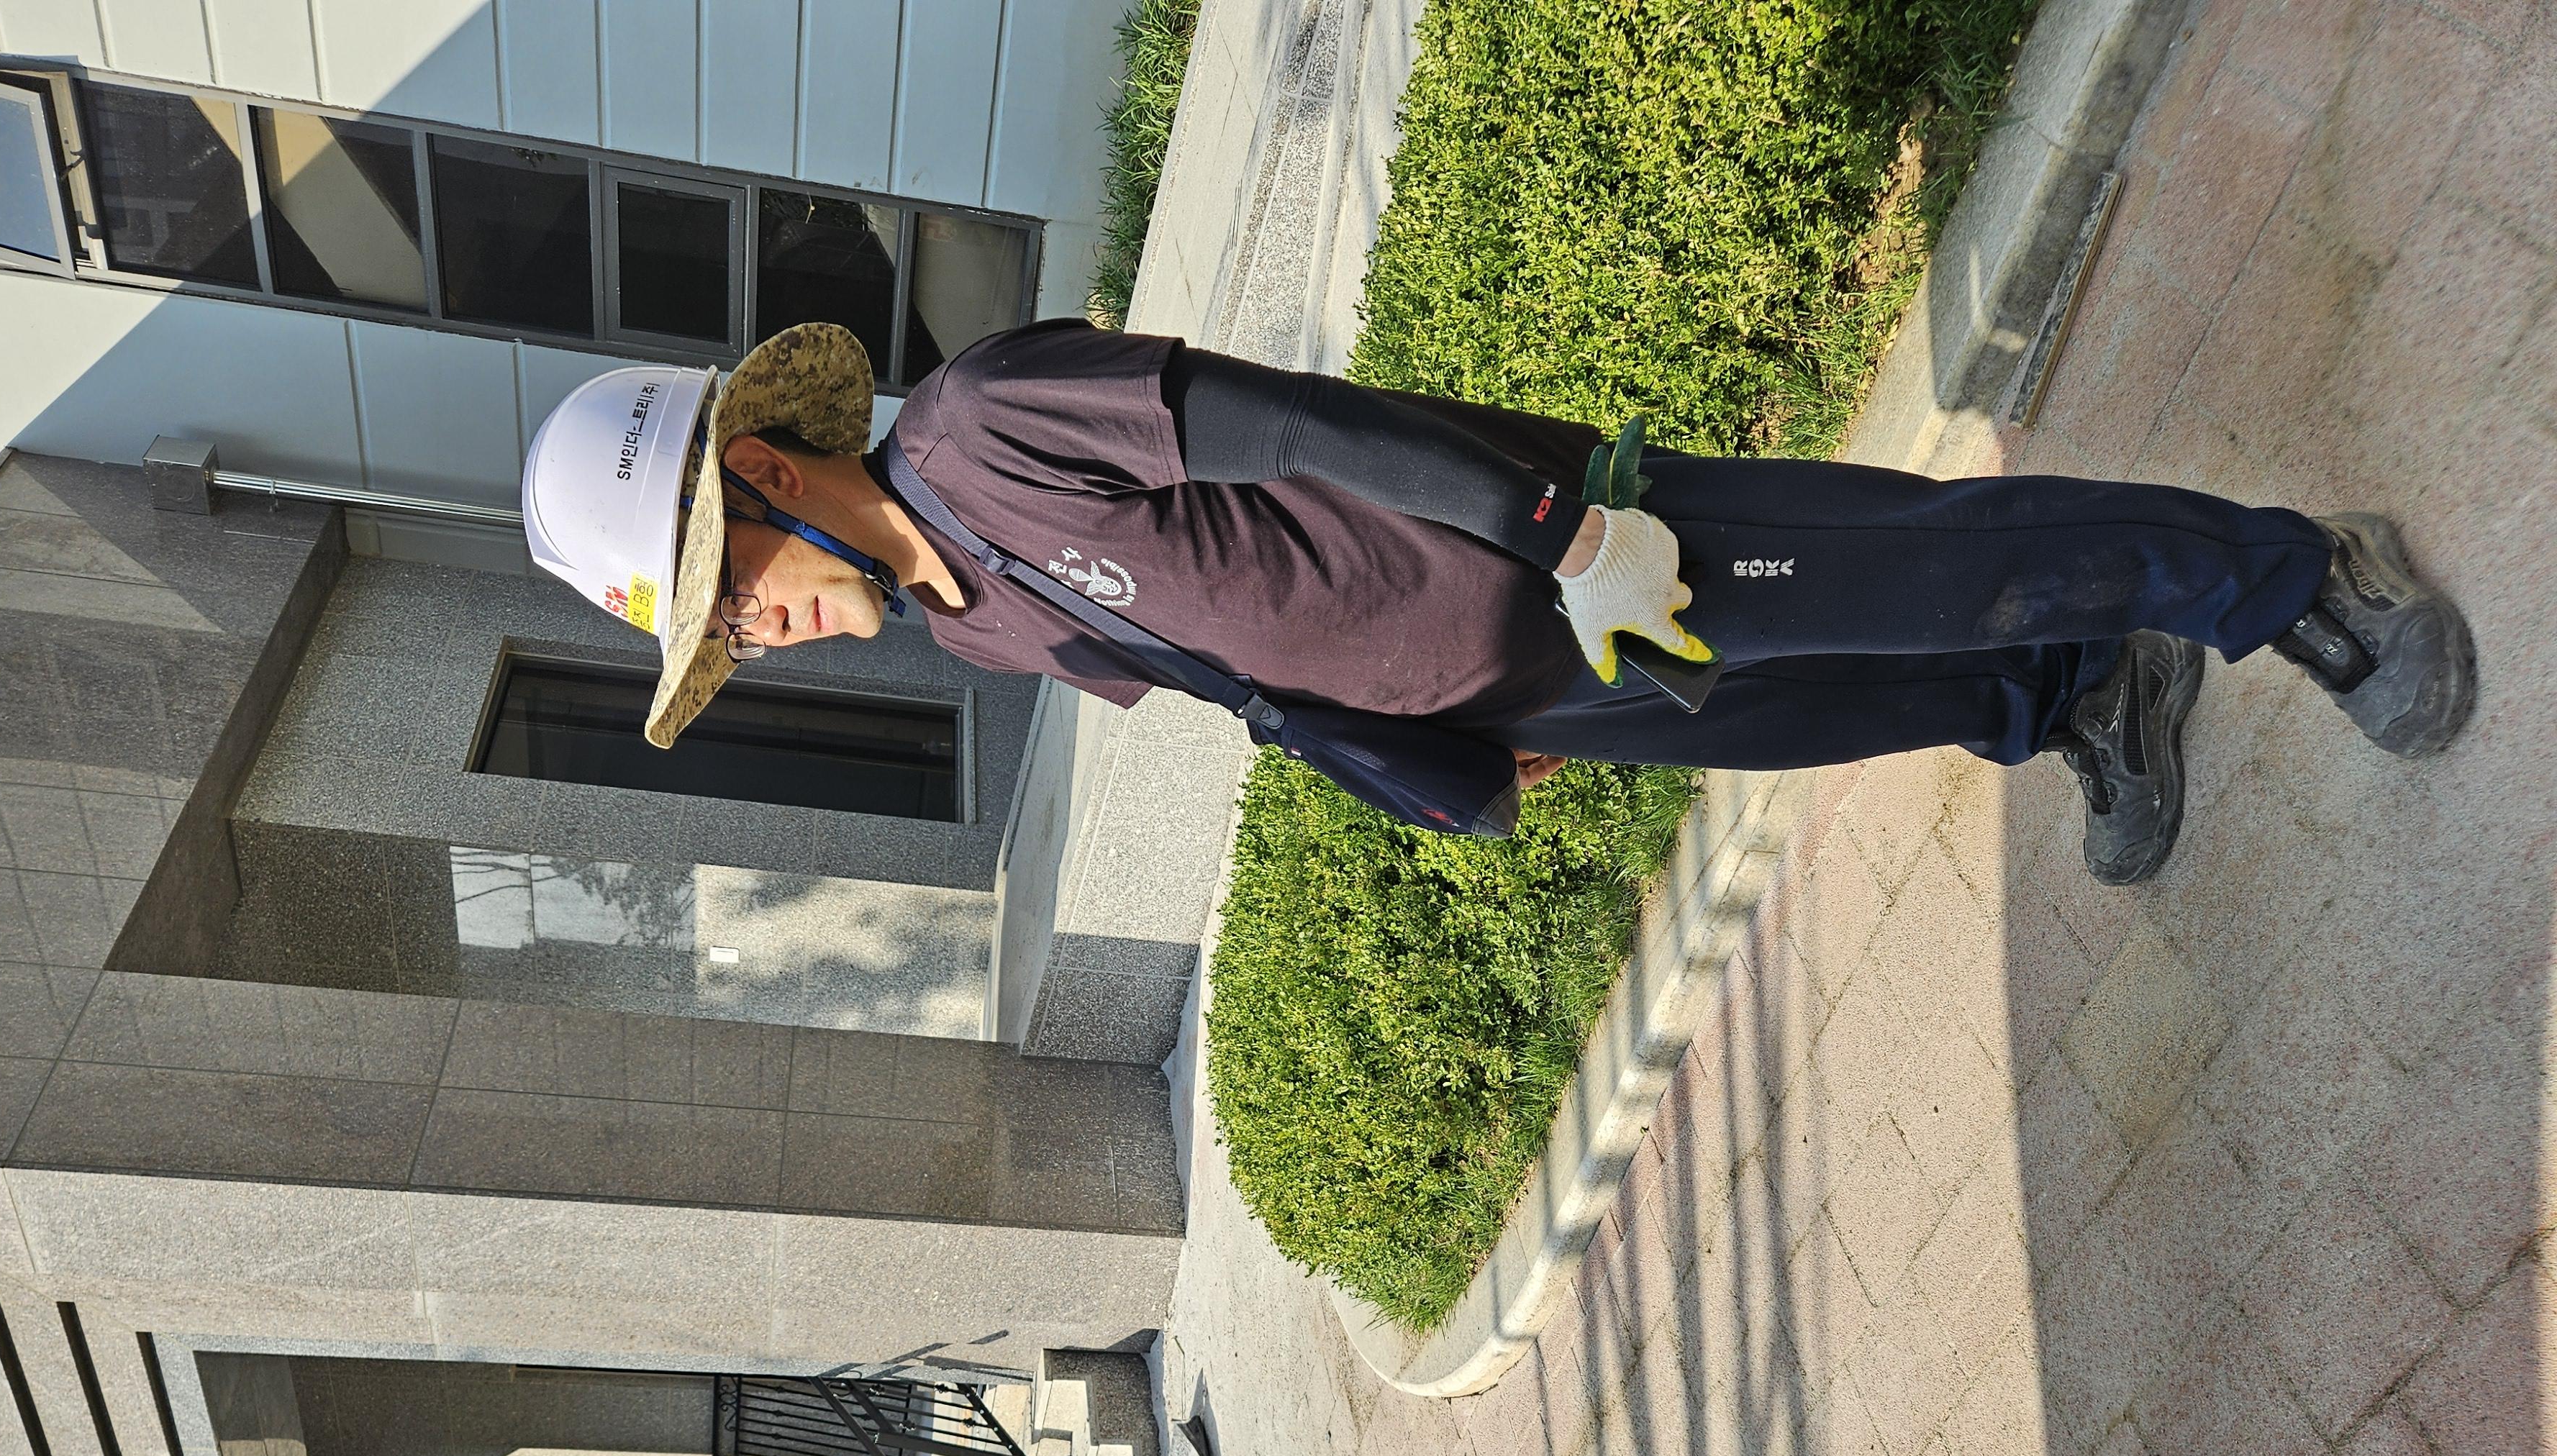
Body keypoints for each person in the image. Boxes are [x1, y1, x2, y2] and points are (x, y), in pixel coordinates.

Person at [519, 319, 2476, 886]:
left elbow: (1298, 424)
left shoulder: (989, 418)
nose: (749, 634)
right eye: (718, 639)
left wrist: (1555, 527)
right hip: (1525, 688)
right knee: (1830, 704)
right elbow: (1233, 676)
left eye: (727, 593)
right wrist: (1431, 762)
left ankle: (2292, 581)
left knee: (1930, 561)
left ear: (763, 472)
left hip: (1567, 559)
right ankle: (2068, 695)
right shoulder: (968, 624)